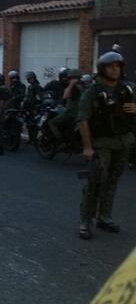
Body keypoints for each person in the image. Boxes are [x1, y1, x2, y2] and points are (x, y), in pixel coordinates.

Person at [76, 51, 136, 239]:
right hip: (101, 143)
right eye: (111, 66)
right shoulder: (92, 92)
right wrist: (87, 147)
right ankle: (86, 220)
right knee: (95, 182)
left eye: (118, 66)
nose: (115, 69)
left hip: (123, 141)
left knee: (112, 181)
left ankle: (104, 217)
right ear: (102, 69)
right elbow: (83, 120)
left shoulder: (129, 89)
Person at [48, 69, 82, 142]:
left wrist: (71, 84)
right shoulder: (84, 86)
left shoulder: (75, 87)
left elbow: (65, 96)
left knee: (52, 123)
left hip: (71, 113)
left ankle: (61, 141)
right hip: (79, 113)